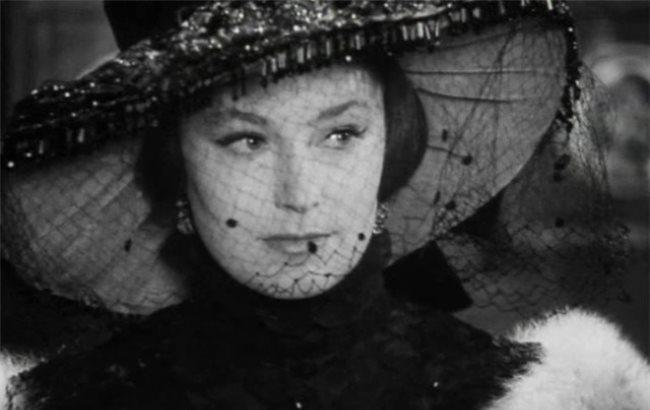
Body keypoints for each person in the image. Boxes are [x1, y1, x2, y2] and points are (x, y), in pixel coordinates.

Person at [1, 1, 649, 409]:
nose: (299, 195)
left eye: (340, 134)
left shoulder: (543, 398)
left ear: (390, 158)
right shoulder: (56, 400)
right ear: (176, 178)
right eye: (245, 140)